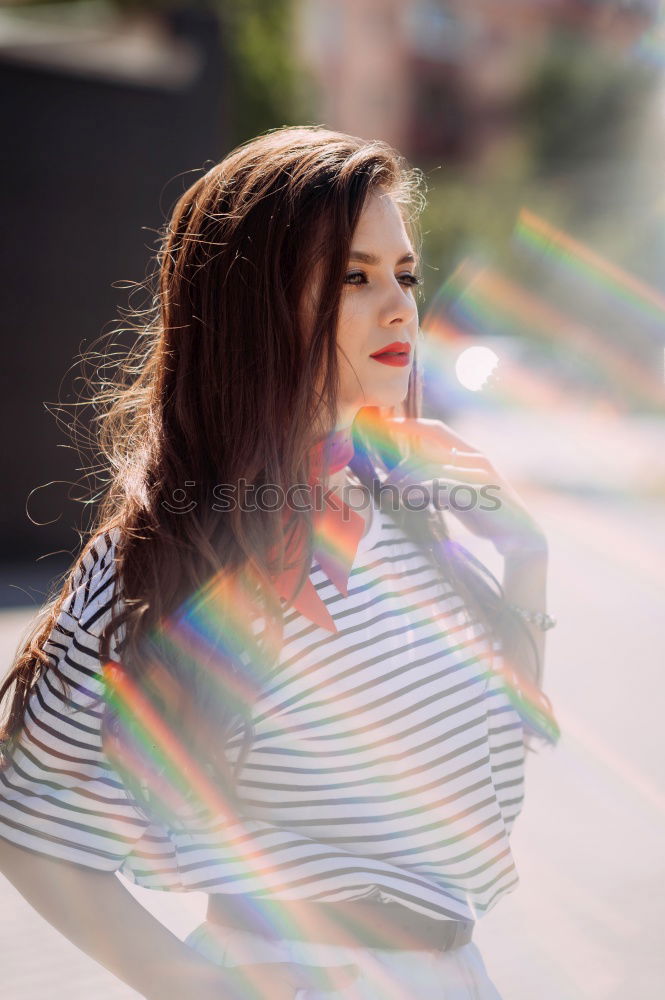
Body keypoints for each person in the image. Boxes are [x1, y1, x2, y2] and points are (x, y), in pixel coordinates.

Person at [0, 125, 559, 1000]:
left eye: (404, 275)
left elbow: (486, 800)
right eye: (354, 276)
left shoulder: (417, 525)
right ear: (255, 298)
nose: (399, 306)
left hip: (452, 973)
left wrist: (525, 563)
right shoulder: (170, 550)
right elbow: (32, 828)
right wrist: (200, 989)